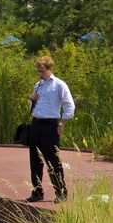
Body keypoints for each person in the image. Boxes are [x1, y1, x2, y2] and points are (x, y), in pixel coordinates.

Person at [26, 56, 75, 203]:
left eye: (42, 71)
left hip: (50, 125)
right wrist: (32, 100)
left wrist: (62, 123)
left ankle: (61, 192)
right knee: (35, 161)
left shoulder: (59, 85)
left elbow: (70, 106)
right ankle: (37, 192)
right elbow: (33, 107)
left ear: (49, 69)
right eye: (38, 71)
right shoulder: (38, 85)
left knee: (53, 161)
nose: (40, 74)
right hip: (36, 124)